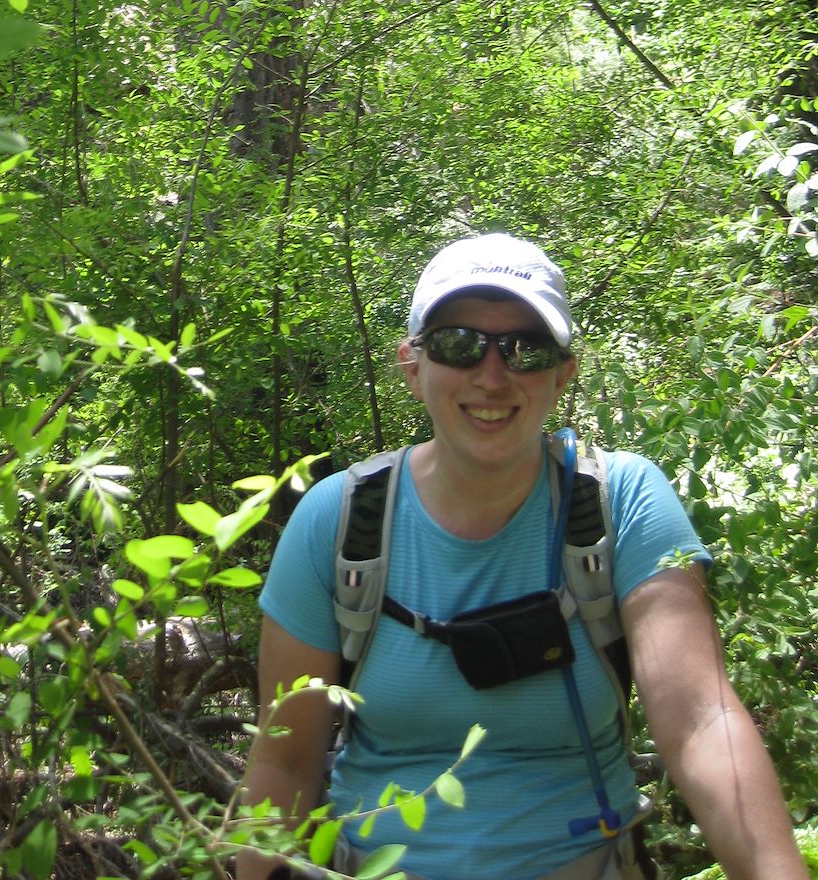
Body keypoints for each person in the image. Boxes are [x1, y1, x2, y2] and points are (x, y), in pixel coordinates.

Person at [236, 233, 806, 880]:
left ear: (563, 374)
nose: (492, 374)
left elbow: (700, 721)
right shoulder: (336, 523)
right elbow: (286, 762)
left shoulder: (624, 502)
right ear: (412, 364)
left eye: (525, 348)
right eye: (459, 343)